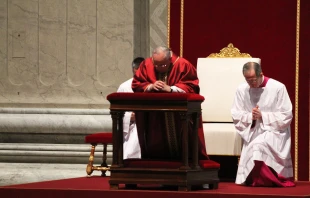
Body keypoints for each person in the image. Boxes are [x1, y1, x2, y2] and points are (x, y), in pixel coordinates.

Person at [132, 46, 208, 160]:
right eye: (156, 64)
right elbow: (136, 83)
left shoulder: (183, 65)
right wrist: (150, 86)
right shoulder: (146, 64)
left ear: (170, 59)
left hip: (178, 115)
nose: (158, 68)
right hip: (155, 115)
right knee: (156, 142)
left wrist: (171, 89)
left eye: (162, 65)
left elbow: (192, 86)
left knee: (182, 142)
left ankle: (185, 162)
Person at [231, 61, 295, 187]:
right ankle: (255, 179)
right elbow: (235, 113)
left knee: (258, 145)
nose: (251, 84)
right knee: (256, 144)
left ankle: (268, 180)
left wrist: (263, 116)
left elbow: (286, 115)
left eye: (253, 80)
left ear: (261, 74)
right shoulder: (242, 89)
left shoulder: (278, 88)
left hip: (275, 130)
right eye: (247, 80)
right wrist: (251, 116)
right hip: (253, 130)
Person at [117, 57, 145, 159]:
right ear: (134, 70)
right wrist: (130, 117)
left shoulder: (152, 85)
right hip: (132, 126)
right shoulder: (124, 87)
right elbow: (117, 113)